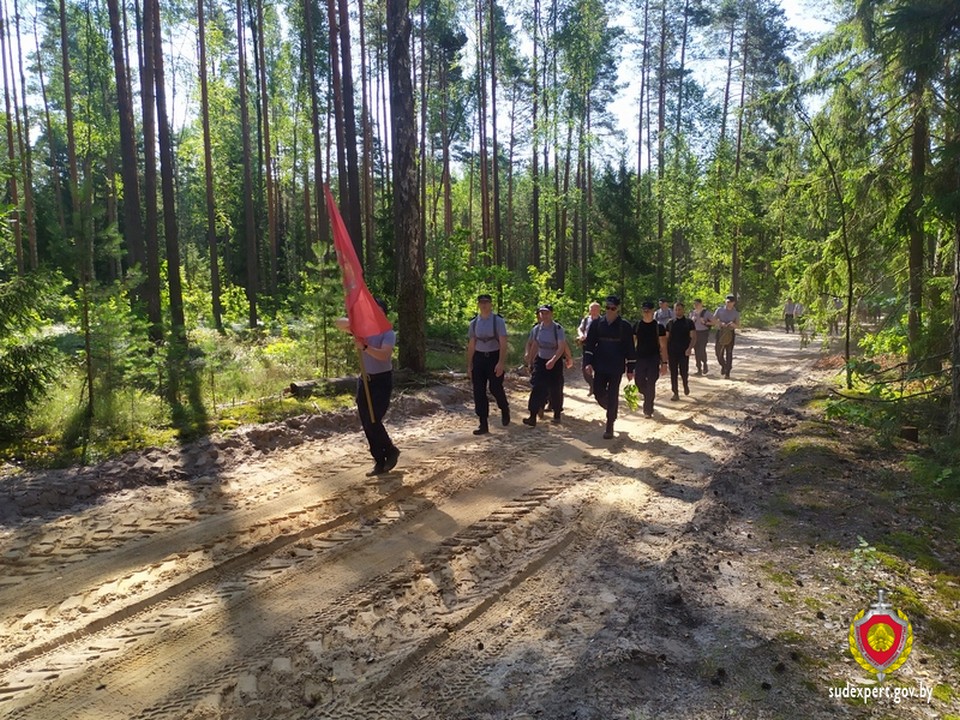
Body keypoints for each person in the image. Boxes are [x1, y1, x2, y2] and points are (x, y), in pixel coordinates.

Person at [336, 299, 400, 476]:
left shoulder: (388, 333)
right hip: (364, 380)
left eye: (379, 311)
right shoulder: (362, 329)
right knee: (366, 421)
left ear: (384, 314)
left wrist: (365, 346)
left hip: (381, 381)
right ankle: (379, 460)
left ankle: (391, 450)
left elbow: (384, 355)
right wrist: (355, 321)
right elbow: (338, 323)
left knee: (374, 419)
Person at [582, 295, 636, 439]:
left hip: (616, 365)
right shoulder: (596, 324)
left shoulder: (624, 326)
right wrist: (588, 362)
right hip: (600, 363)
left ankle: (609, 424)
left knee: (613, 394)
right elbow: (590, 345)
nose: (609, 310)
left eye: (612, 308)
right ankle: (612, 409)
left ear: (617, 309)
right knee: (598, 392)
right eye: (607, 308)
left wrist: (630, 369)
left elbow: (630, 348)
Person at [466, 293, 510, 435]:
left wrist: (501, 363)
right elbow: (472, 344)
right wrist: (469, 364)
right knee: (478, 391)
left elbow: (503, 343)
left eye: (486, 302)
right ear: (478, 304)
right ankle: (483, 423)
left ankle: (504, 408)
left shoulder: (498, 321)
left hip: (493, 356)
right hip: (479, 358)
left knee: (495, 387)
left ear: (491, 304)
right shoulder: (474, 323)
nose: (484, 305)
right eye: (481, 303)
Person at [522, 304, 572, 426]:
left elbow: (561, 347)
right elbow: (534, 345)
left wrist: (554, 360)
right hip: (541, 360)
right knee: (537, 387)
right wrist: (530, 360)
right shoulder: (537, 329)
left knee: (555, 388)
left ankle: (557, 413)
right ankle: (532, 415)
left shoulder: (558, 329)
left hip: (554, 361)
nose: (544, 316)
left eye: (546, 313)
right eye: (542, 313)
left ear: (551, 314)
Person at [634, 300, 668, 418]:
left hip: (653, 359)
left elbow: (663, 346)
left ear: (653, 311)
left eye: (648, 310)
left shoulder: (659, 327)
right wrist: (629, 360)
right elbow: (632, 344)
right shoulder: (637, 326)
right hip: (640, 358)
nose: (646, 312)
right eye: (644, 310)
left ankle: (648, 409)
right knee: (639, 383)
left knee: (651, 384)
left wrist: (664, 363)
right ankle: (647, 395)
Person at [665, 301, 696, 401]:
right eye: (676, 309)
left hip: (684, 351)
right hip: (672, 351)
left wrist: (690, 348)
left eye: (680, 309)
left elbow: (693, 337)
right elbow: (666, 338)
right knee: (673, 373)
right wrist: (664, 352)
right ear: (674, 311)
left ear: (683, 310)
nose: (678, 311)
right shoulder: (670, 323)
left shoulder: (689, 322)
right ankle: (675, 393)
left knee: (684, 372)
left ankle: (685, 385)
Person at [713, 294, 741, 379]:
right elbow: (713, 319)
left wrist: (733, 324)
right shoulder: (719, 310)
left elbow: (738, 325)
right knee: (718, 352)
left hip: (730, 333)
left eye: (730, 302)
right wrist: (720, 323)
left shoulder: (736, 313)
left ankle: (728, 372)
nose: (728, 303)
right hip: (720, 332)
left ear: (733, 303)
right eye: (727, 302)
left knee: (729, 352)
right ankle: (724, 365)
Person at [577, 302, 602, 394]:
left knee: (598, 368)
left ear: (599, 310)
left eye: (595, 309)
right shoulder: (586, 320)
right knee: (584, 368)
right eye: (591, 309)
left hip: (598, 347)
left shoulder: (602, 321)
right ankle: (592, 384)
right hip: (587, 346)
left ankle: (598, 387)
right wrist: (581, 335)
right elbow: (580, 329)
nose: (593, 311)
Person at [690, 298, 713, 375]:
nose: (695, 305)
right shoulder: (692, 313)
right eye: (694, 304)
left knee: (702, 349)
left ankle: (705, 364)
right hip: (695, 333)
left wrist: (705, 322)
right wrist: (692, 321)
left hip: (703, 332)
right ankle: (699, 368)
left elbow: (714, 322)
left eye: (697, 304)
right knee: (696, 350)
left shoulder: (706, 313)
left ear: (701, 304)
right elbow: (689, 323)